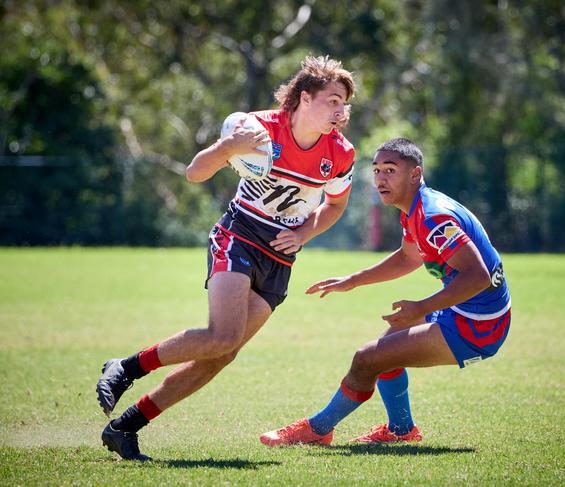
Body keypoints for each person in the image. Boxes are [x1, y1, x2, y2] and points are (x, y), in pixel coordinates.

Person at [97, 55, 357, 460]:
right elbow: (194, 173)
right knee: (222, 335)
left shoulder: (340, 153)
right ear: (305, 98)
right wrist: (226, 148)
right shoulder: (257, 128)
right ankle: (126, 368)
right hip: (239, 233)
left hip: (279, 257)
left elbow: (336, 206)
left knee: (223, 354)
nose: (341, 111)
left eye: (344, 104)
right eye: (333, 101)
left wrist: (306, 231)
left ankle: (125, 427)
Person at [260, 137, 511, 446]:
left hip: (479, 325)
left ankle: (318, 429)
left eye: (390, 170)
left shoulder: (433, 217)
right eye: (377, 170)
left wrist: (420, 307)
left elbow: (478, 277)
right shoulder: (417, 208)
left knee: (367, 358)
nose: (380, 178)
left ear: (415, 174)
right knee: (386, 346)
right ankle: (402, 431)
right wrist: (353, 279)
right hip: (469, 313)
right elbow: (408, 257)